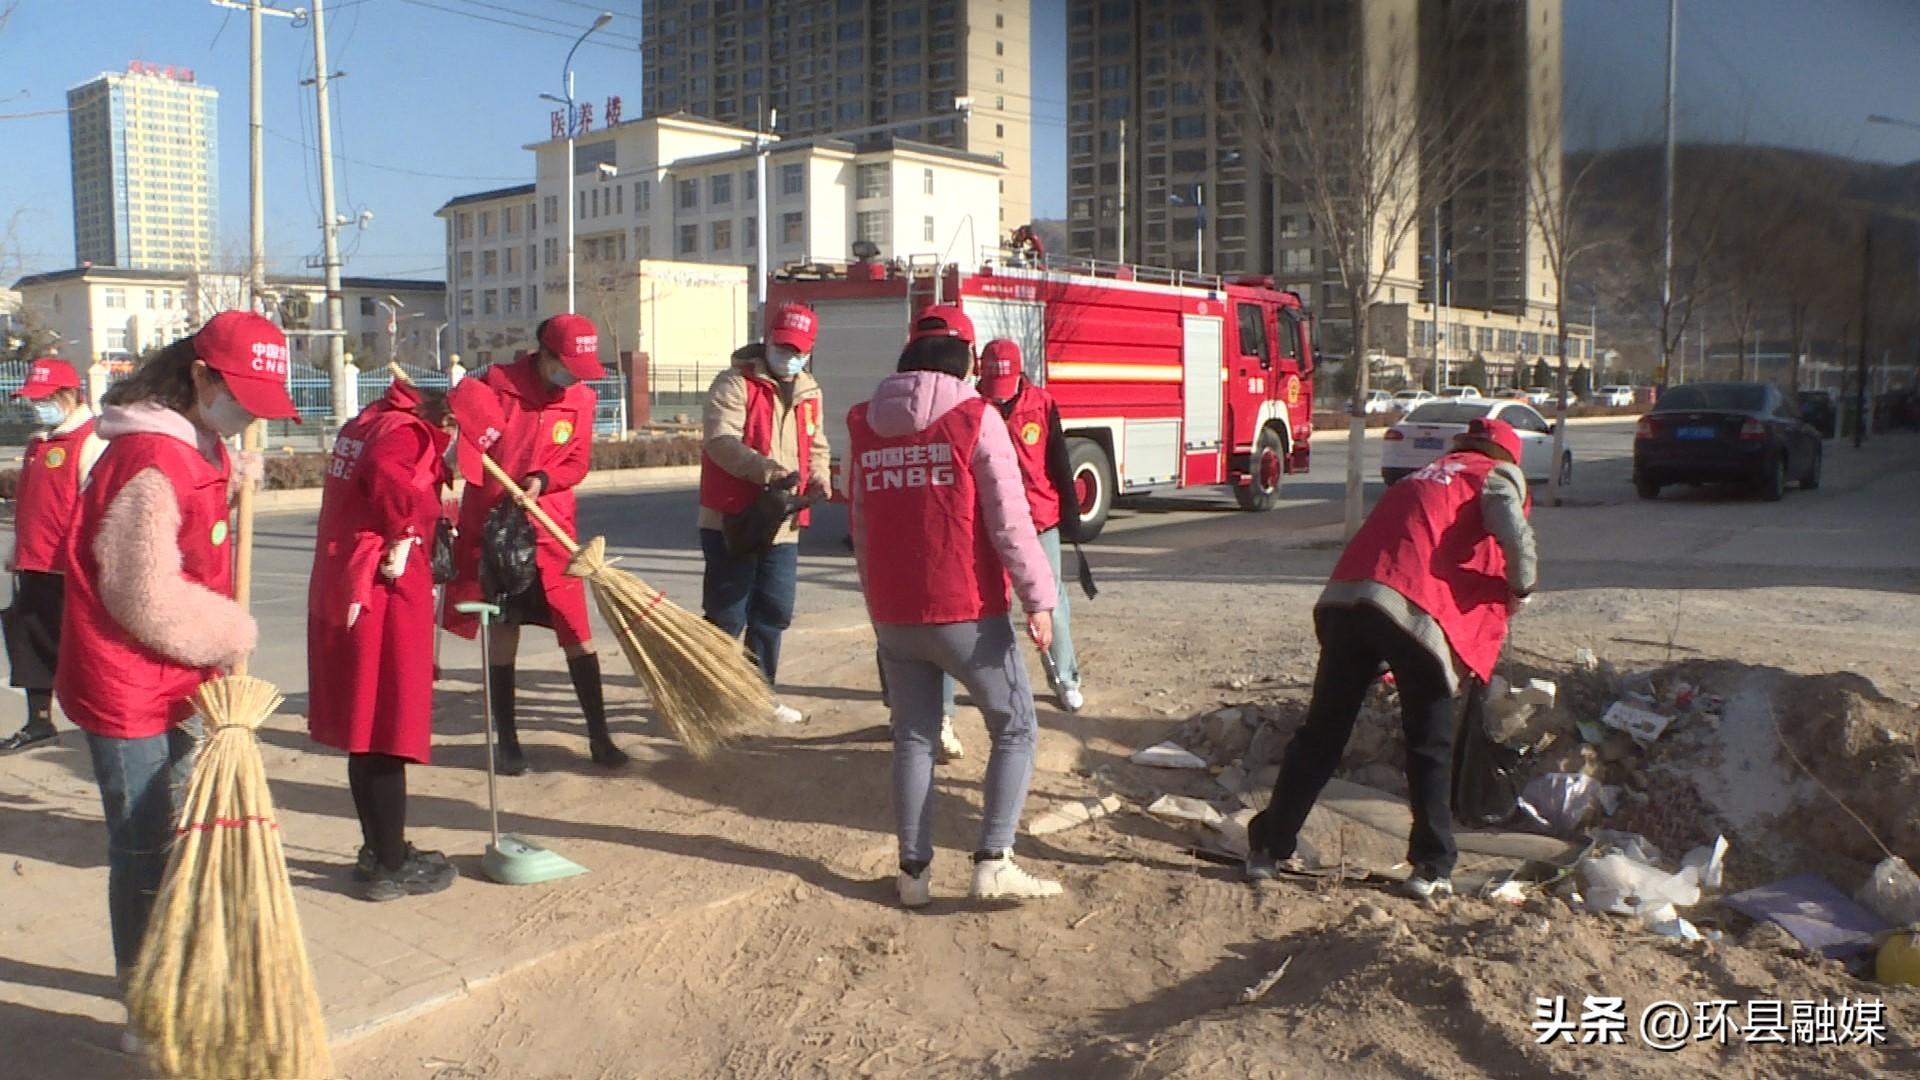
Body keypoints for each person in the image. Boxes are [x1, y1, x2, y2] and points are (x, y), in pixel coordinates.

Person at [54, 311, 295, 1051]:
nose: (249, 412)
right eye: (241, 393)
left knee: (184, 834)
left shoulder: (196, 444)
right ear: (200, 376)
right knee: (143, 845)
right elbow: (141, 593)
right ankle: (146, 1003)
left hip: (180, 674)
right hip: (126, 677)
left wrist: (232, 475)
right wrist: (232, 632)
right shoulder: (148, 459)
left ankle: (181, 968)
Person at [1245, 418, 1537, 901]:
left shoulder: (1427, 473)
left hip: (1346, 602)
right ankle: (1432, 866)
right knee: (1429, 743)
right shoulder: (1491, 475)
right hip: (1411, 609)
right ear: (1506, 456)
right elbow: (1508, 521)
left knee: (1321, 734)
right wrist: (1522, 585)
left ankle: (1269, 851)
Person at [848, 304, 1063, 908]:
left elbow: (861, 527)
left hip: (896, 615)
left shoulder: (864, 423)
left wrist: (876, 610)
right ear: (967, 357)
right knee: (1015, 727)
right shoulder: (976, 417)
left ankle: (913, 876)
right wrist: (1039, 599)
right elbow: (1010, 523)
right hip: (967, 609)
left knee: (914, 739)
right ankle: (994, 860)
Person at [308, 374, 506, 901]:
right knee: (385, 727)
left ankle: (380, 846)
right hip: (380, 592)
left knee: (366, 729)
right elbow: (388, 480)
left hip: (350, 584)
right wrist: (412, 522)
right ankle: (389, 864)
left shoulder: (372, 419)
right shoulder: (407, 435)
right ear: (447, 422)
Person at [444, 314, 627, 776]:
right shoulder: (495, 386)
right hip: (497, 528)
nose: (573, 379)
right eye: (566, 366)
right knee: (504, 627)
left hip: (550, 528)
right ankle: (507, 741)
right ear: (543, 355)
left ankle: (600, 736)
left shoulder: (581, 398)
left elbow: (577, 461)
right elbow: (465, 443)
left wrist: (544, 478)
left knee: (575, 631)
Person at [937, 337, 1084, 746]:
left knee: (1050, 605)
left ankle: (1065, 677)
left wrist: (1069, 514)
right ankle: (968, 702)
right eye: (991, 385)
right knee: (974, 612)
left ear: (1020, 375)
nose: (999, 397)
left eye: (1005, 387)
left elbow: (1058, 459)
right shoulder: (969, 404)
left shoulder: (1042, 403)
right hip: (987, 521)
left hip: (1039, 518)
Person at [697, 301, 831, 724]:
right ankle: (709, 695)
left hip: (783, 523)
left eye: (798, 350)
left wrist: (820, 476)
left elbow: (818, 443)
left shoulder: (810, 390)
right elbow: (720, 441)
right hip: (733, 519)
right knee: (728, 614)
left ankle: (759, 695)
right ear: (768, 340)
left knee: (773, 611)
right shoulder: (734, 384)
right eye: (783, 347)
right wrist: (765, 469)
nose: (790, 357)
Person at [2, 358, 105, 752]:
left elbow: (93, 505)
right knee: (28, 640)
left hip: (70, 566)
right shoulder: (40, 441)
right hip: (34, 561)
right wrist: (17, 547)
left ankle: (99, 721)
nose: (35, 406)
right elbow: (29, 503)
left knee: (80, 648)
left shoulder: (91, 439)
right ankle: (39, 721)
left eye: (42, 398)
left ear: (66, 395)